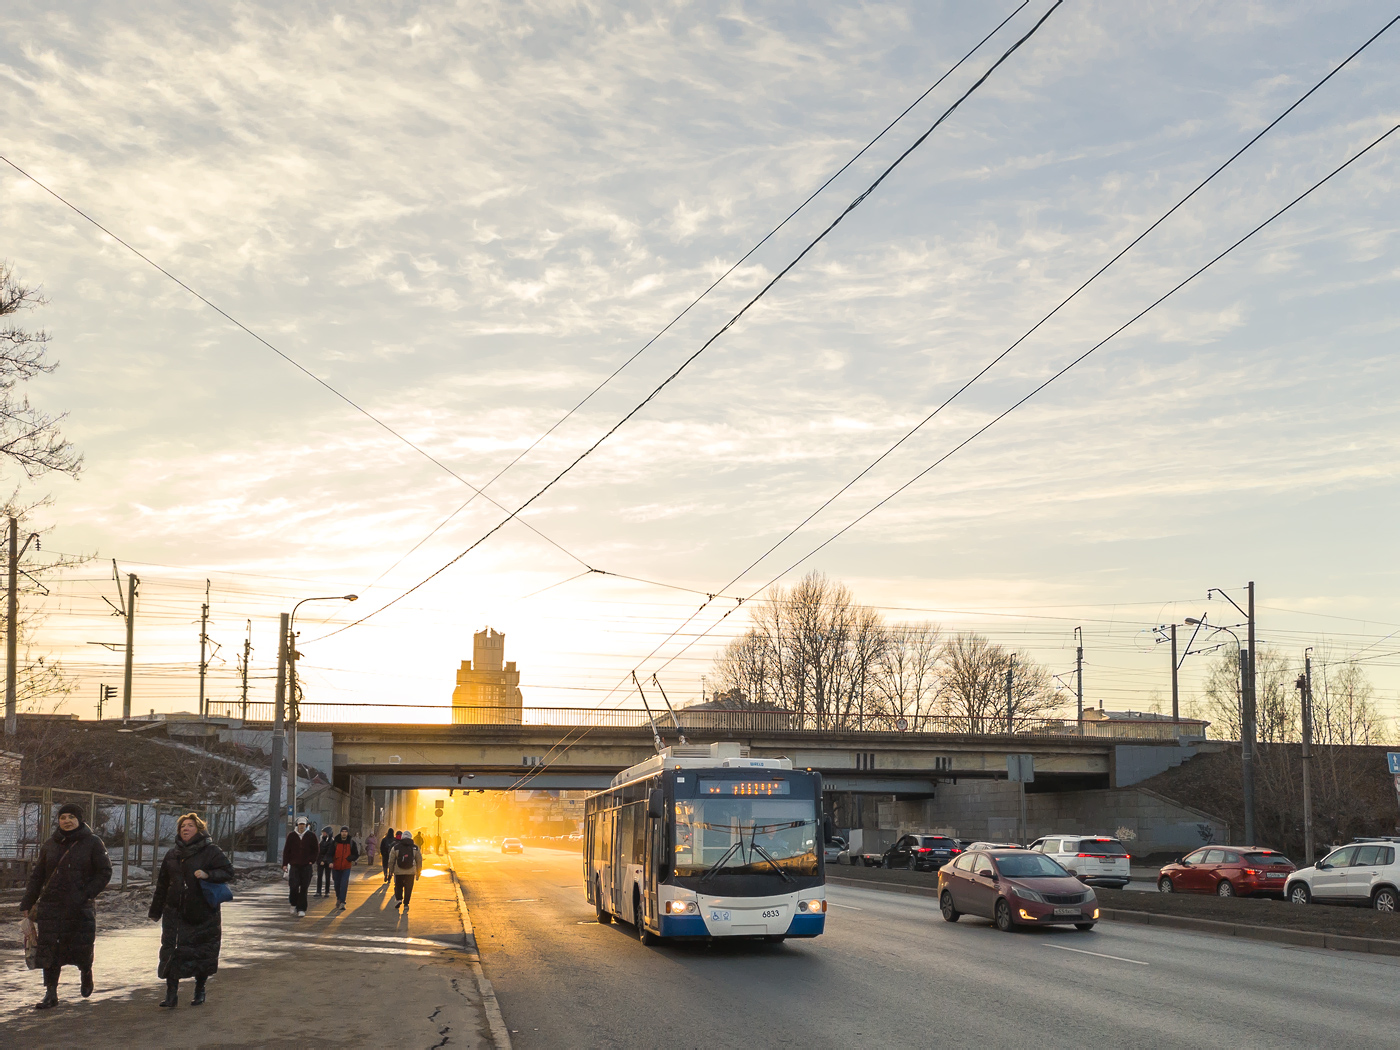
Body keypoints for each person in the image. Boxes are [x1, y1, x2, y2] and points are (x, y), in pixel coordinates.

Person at [21, 802, 113, 1010]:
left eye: (71, 817)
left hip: (79, 907)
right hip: (51, 906)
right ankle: (51, 993)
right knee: (49, 949)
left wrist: (86, 894)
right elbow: (38, 876)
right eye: (63, 817)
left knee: (81, 945)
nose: (67, 821)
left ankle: (86, 972)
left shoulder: (93, 843)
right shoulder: (50, 844)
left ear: (80, 820)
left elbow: (104, 872)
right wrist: (27, 902)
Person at [148, 812, 233, 1008]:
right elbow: (162, 884)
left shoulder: (211, 851)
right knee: (172, 951)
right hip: (174, 913)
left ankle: (200, 989)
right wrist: (156, 911)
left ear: (199, 830)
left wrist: (207, 874)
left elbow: (228, 872)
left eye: (190, 826)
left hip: (203, 912)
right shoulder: (172, 855)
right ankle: (171, 994)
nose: (185, 829)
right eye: (182, 826)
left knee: (201, 951)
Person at [281, 816, 318, 916]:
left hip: (306, 865)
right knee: (293, 886)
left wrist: (312, 860)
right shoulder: (292, 836)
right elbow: (286, 850)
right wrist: (285, 864)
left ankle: (301, 908)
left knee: (304, 887)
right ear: (297, 825)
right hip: (294, 865)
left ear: (306, 825)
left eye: (303, 825)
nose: (301, 827)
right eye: (300, 824)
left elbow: (316, 850)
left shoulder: (311, 835)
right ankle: (293, 903)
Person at [390, 831, 422, 913]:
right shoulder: (415, 848)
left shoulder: (396, 847)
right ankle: (406, 904)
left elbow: (391, 860)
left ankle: (399, 899)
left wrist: (390, 871)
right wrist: (418, 872)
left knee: (398, 886)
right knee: (408, 888)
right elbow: (419, 860)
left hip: (398, 871)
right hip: (410, 872)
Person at [328, 826, 360, 910]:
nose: (344, 833)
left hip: (346, 867)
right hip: (336, 866)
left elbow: (356, 854)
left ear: (348, 833)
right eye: (343, 831)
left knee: (344, 884)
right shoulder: (335, 842)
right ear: (340, 832)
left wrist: (350, 858)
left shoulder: (351, 842)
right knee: (337, 884)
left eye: (346, 831)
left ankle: (342, 902)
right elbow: (330, 853)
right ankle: (338, 898)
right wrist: (330, 862)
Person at [315, 826, 334, 898]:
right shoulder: (321, 840)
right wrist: (318, 860)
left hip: (327, 861)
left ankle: (327, 891)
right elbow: (319, 851)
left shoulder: (331, 841)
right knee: (319, 876)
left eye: (324, 832)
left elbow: (329, 852)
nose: (323, 834)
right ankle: (318, 891)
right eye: (323, 832)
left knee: (327, 876)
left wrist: (324, 860)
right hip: (320, 861)